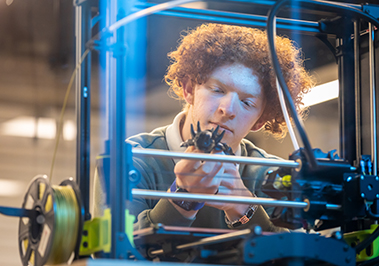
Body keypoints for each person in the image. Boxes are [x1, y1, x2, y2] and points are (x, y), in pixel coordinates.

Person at [93, 23, 314, 233]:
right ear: (189, 89)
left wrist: (244, 209)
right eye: (217, 90)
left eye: (247, 103)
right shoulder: (128, 160)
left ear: (259, 121)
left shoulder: (274, 176)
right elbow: (117, 254)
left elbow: (298, 257)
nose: (228, 109)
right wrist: (182, 199)